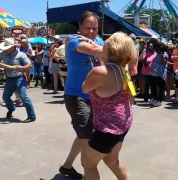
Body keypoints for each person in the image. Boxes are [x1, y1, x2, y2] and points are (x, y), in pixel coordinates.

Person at [81, 32, 135, 180]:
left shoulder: (99, 72)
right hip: (123, 124)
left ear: (109, 48)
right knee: (112, 160)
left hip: (108, 129)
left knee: (88, 164)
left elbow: (84, 88)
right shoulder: (123, 70)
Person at [59, 11, 104, 179]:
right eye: (87, 28)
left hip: (96, 96)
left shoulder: (99, 41)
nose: (91, 32)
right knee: (88, 135)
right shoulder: (73, 40)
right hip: (76, 95)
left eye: (95, 28)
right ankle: (89, 172)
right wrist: (100, 49)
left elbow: (105, 58)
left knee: (84, 135)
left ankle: (66, 166)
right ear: (79, 27)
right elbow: (93, 50)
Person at [0, 38, 36, 123]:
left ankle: (31, 116)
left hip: (20, 78)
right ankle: (11, 108)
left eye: (7, 47)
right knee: (5, 97)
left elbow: (30, 65)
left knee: (23, 96)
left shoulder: (21, 55)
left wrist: (21, 67)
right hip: (9, 79)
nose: (6, 49)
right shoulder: (4, 54)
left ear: (12, 47)